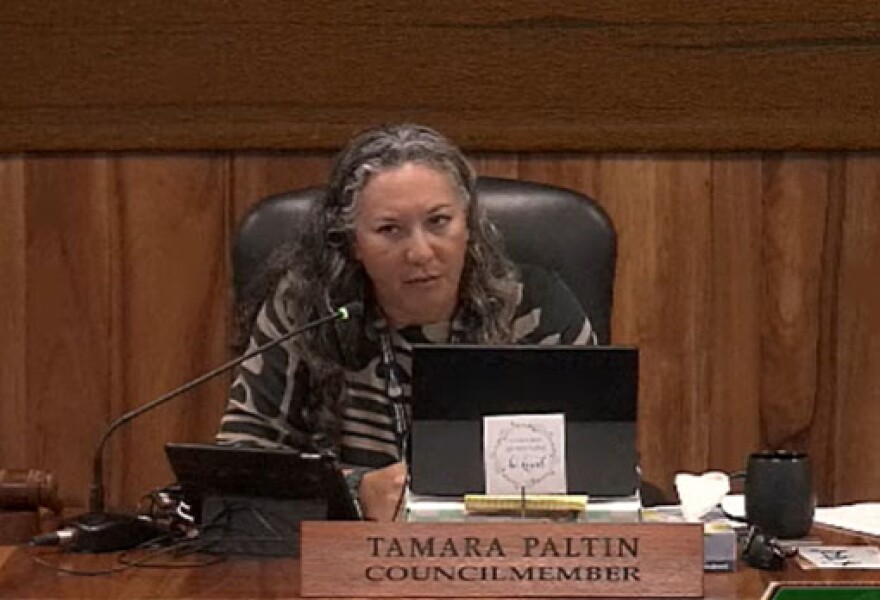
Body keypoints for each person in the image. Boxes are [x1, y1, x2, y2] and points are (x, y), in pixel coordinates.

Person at [217, 123, 595, 521]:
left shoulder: (533, 310)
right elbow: (238, 465)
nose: (419, 252)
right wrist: (353, 491)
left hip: (508, 559)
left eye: (438, 222)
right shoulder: (308, 310)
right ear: (353, 243)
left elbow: (601, 463)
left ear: (468, 225)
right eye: (389, 230)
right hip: (346, 561)